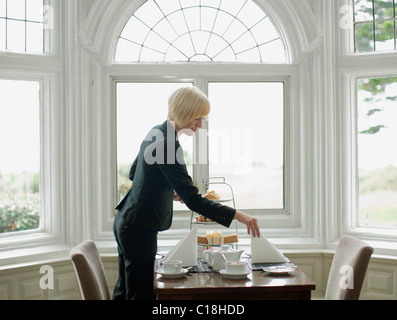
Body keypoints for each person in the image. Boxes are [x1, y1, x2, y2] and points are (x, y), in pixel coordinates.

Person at [112, 86, 260, 300]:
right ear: (184, 113)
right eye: (197, 118)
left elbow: (136, 173)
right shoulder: (168, 145)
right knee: (140, 295)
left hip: (125, 221)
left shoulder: (155, 131)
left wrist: (171, 193)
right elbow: (193, 200)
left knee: (125, 290)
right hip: (138, 228)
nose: (200, 124)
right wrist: (239, 215)